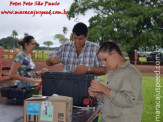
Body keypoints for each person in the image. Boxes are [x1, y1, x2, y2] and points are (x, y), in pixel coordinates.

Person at [46, 22, 107, 122]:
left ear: (87, 36)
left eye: (81, 39)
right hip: (66, 94)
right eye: (75, 38)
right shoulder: (64, 47)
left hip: (90, 96)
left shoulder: (95, 48)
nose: (77, 42)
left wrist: (88, 69)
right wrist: (52, 60)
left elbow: (105, 70)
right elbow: (48, 62)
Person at [89, 41, 143, 122]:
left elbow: (129, 101)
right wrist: (98, 94)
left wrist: (104, 89)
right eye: (102, 60)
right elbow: (110, 99)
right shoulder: (112, 72)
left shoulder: (131, 73)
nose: (104, 63)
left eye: (105, 59)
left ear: (114, 54)